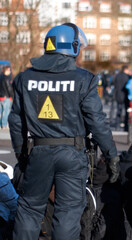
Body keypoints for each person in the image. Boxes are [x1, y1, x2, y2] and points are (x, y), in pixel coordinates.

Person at [8, 23, 119, 240]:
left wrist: (22, 154)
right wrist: (111, 154)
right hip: (72, 153)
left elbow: (15, 121)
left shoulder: (24, 78)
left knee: (30, 209)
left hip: (38, 151)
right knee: (68, 211)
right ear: (74, 47)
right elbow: (97, 122)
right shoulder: (83, 79)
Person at [114, 65, 130, 131]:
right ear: (126, 70)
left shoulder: (117, 76)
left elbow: (114, 84)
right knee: (126, 112)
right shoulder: (128, 77)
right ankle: (126, 127)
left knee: (119, 111)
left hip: (118, 95)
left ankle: (117, 125)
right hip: (125, 96)